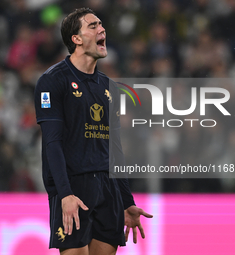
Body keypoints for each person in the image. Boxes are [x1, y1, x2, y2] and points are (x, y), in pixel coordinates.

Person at [34, 8, 153, 255]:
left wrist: (127, 201)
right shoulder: (52, 81)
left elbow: (115, 149)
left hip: (108, 192)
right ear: (76, 39)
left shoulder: (109, 87)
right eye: (92, 25)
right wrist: (64, 194)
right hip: (74, 188)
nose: (102, 29)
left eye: (101, 24)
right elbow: (52, 144)